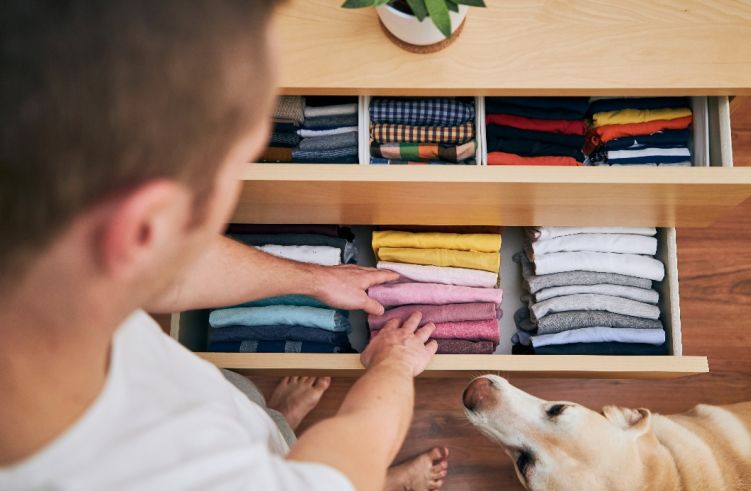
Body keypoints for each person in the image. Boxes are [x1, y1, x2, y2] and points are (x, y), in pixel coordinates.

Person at [0, 1, 448, 490]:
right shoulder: (208, 479)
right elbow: (350, 464)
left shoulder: (42, 245)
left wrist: (317, 279)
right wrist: (395, 365)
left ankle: (275, 424)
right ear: (145, 227)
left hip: (216, 403)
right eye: (236, 165)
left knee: (248, 408)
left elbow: (168, 269)